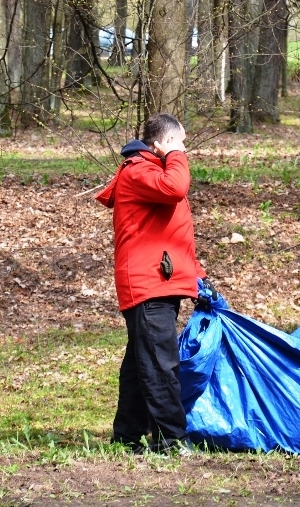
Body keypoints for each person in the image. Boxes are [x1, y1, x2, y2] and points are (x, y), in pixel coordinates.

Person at [95, 113, 203, 455]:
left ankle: (126, 437)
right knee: (160, 363)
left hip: (160, 279)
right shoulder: (140, 171)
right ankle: (171, 440)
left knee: (140, 364)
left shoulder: (149, 172)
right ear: (162, 143)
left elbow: (171, 233)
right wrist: (176, 154)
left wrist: (196, 276)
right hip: (148, 284)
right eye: (179, 142)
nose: (184, 150)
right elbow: (176, 188)